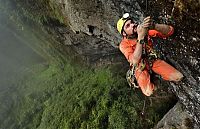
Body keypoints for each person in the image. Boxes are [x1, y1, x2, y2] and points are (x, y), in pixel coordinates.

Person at [117, 13, 183, 96]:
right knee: (149, 92)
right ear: (124, 34)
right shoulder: (123, 45)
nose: (132, 25)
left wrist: (154, 26)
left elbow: (170, 31)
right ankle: (153, 82)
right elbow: (135, 61)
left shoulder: (144, 30)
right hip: (140, 67)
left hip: (152, 61)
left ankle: (158, 76)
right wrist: (141, 37)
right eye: (128, 26)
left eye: (132, 22)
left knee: (178, 76)